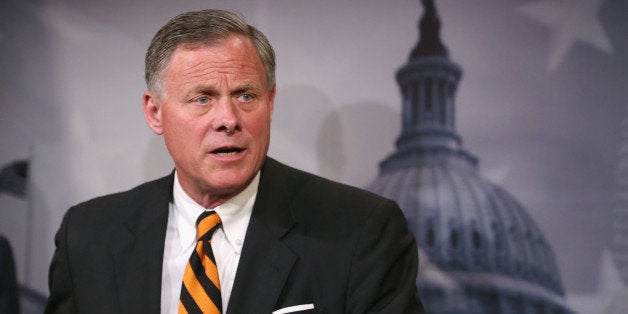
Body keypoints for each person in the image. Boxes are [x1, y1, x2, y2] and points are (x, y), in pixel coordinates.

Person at [45, 9, 424, 314]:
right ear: (155, 112)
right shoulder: (88, 237)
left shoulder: (361, 231)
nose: (228, 118)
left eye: (245, 95)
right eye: (202, 98)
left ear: (270, 103)